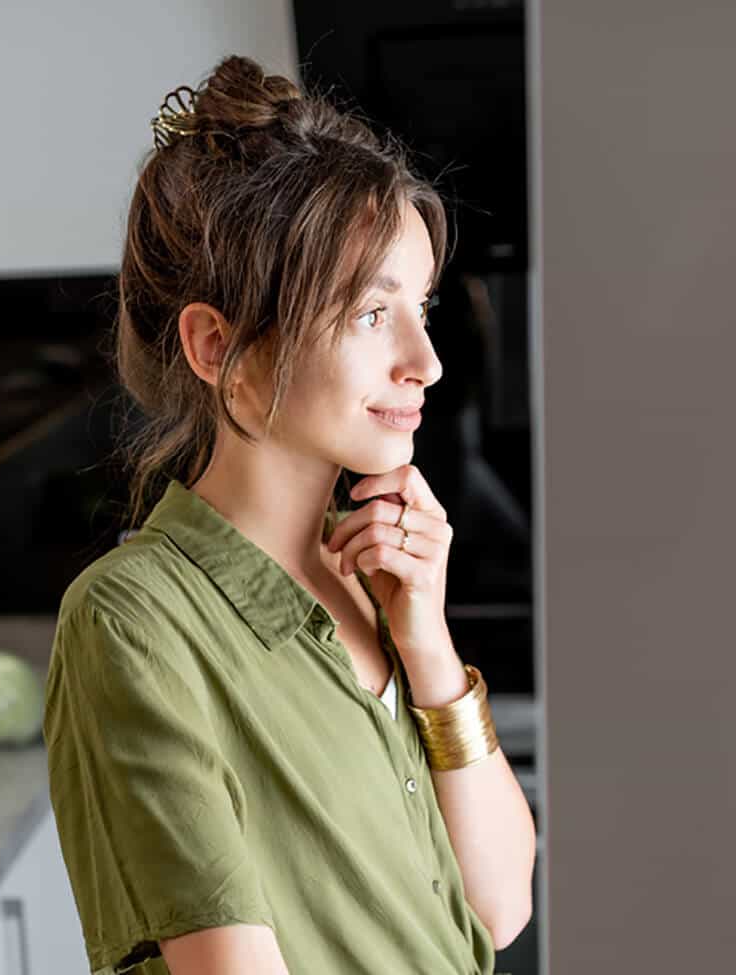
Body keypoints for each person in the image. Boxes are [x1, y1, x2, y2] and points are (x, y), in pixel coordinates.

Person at [43, 55, 536, 975]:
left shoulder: (373, 578)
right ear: (216, 343)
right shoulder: (133, 623)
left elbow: (502, 907)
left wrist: (425, 643)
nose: (425, 360)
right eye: (368, 313)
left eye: (420, 306)